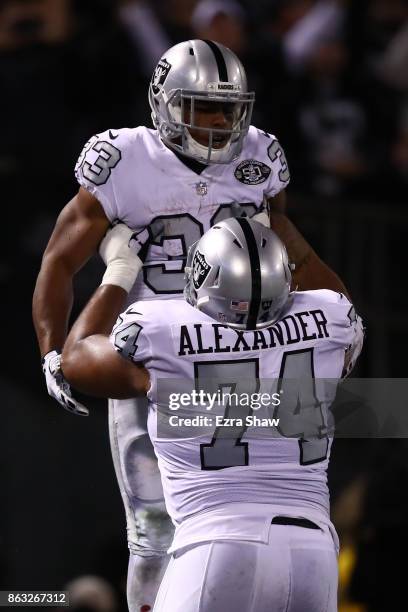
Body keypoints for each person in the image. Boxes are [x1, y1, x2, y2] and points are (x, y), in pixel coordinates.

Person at [32, 39, 348, 610]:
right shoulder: (124, 159)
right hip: (153, 357)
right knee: (154, 528)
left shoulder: (259, 156)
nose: (219, 122)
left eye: (229, 109)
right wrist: (52, 348)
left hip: (239, 354)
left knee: (236, 510)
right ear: (163, 103)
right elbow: (60, 258)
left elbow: (291, 251)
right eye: (201, 107)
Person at [61, 217, 364, 612]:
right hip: (313, 549)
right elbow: (335, 301)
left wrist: (119, 272)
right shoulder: (330, 314)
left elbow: (76, 357)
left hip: (216, 541)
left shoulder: (160, 327)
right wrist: (283, 226)